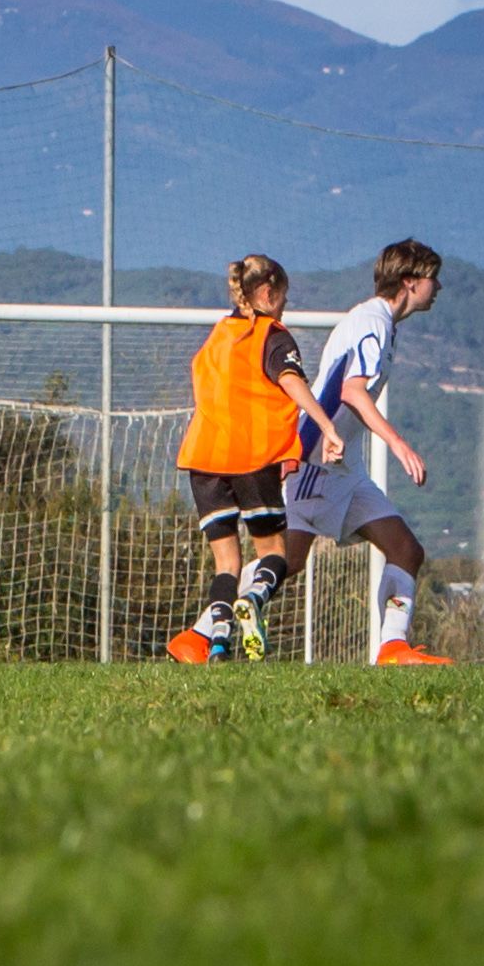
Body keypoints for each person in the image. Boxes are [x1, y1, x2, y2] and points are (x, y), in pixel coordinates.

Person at [280, 238, 445, 665]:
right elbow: (353, 391)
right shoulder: (372, 321)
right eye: (432, 279)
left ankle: (393, 647)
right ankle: (208, 629)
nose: (438, 287)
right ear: (409, 282)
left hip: (345, 468)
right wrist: (398, 443)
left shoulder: (382, 324)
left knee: (406, 550)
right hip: (318, 460)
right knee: (286, 561)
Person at [170, 253, 318, 662]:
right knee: (274, 554)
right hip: (251, 457)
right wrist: (325, 423)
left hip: (202, 458)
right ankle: (253, 600)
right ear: (268, 293)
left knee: (226, 563)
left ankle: (218, 642)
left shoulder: (218, 334)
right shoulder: (273, 334)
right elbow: (290, 380)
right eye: (283, 297)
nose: (285, 306)